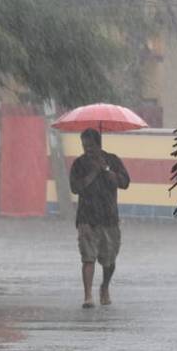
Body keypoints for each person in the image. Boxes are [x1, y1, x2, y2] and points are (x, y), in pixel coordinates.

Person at [69, 128, 130, 308]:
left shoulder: (112, 160)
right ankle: (88, 296)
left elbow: (125, 182)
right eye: (84, 145)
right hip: (86, 217)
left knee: (109, 260)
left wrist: (108, 172)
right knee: (88, 257)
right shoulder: (79, 164)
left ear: (98, 144)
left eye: (90, 145)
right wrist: (93, 173)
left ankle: (104, 286)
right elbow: (75, 188)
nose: (87, 149)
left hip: (109, 217)